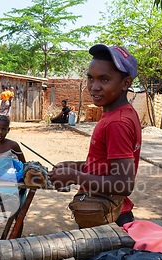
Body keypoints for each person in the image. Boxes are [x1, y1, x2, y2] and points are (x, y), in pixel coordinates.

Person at [49, 44, 142, 227]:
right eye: (90, 78)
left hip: (108, 218)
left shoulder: (117, 122)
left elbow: (123, 184)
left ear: (126, 83)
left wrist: (74, 177)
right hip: (106, 212)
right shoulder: (121, 114)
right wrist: (73, 167)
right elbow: (106, 167)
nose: (94, 87)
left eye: (104, 79)